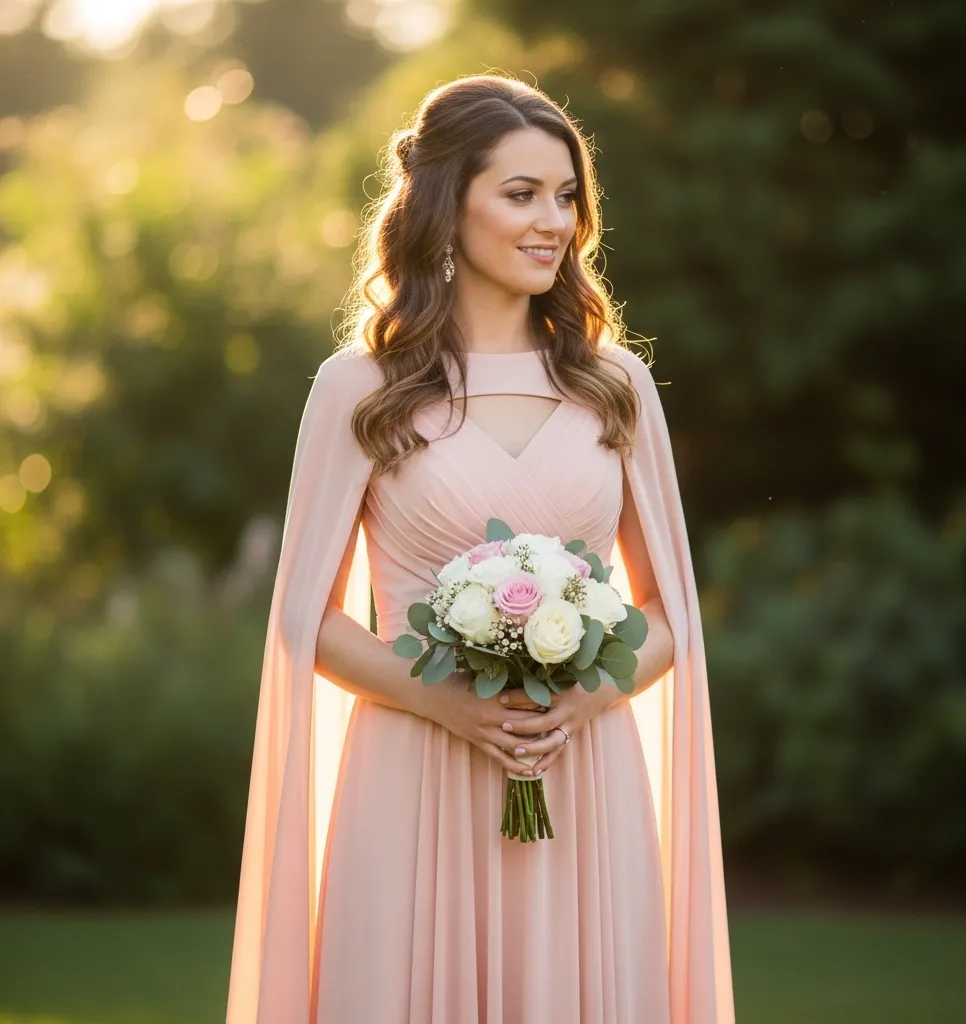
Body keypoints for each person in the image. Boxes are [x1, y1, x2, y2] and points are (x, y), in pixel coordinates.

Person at [226, 74, 734, 1024]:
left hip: (581, 769)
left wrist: (578, 701)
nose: (556, 221)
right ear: (445, 204)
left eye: (568, 196)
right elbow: (307, 619)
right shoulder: (360, 387)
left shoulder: (616, 387)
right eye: (522, 193)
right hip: (411, 768)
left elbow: (671, 614)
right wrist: (445, 705)